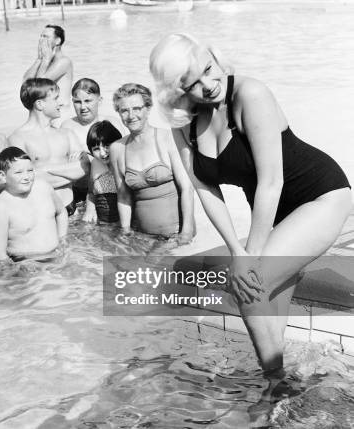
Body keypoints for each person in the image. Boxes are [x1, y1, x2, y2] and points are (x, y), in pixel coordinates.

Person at [149, 33, 352, 371]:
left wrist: (250, 257)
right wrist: (235, 250)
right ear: (176, 91)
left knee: (249, 288)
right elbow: (203, 187)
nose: (209, 84)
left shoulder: (249, 94)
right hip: (277, 213)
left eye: (209, 69)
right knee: (263, 304)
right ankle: (288, 378)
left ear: (214, 57)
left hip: (320, 195)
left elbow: (272, 182)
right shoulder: (184, 123)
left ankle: (276, 389)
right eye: (192, 83)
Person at [111, 83, 195, 240]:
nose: (131, 115)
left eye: (137, 108)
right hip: (141, 236)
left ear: (148, 108)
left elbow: (187, 188)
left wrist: (186, 232)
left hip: (175, 234)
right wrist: (125, 231)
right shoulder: (117, 148)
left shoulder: (167, 138)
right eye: (124, 110)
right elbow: (123, 196)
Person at [8, 78, 87, 213]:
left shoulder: (66, 134)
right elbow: (21, 179)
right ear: (40, 104)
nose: (60, 103)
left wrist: (43, 171)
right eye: (55, 98)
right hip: (39, 211)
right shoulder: (17, 138)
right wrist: (69, 172)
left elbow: (84, 168)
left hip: (71, 205)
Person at [0, 147, 67, 262]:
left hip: (56, 255)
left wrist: (62, 239)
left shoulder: (44, 187)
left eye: (30, 171)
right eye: (18, 172)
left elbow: (61, 212)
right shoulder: (1, 207)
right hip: (26, 263)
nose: (26, 177)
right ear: (3, 176)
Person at [23, 25, 73, 113]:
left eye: (45, 37)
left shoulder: (64, 61)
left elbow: (39, 86)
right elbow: (25, 83)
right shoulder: (45, 62)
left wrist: (45, 60)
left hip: (61, 113)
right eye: (41, 36)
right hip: (48, 114)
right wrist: (39, 59)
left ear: (58, 41)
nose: (41, 40)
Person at [61, 78, 124, 148]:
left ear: (99, 101)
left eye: (87, 101)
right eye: (77, 102)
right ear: (72, 101)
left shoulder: (113, 123)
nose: (83, 107)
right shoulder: (67, 127)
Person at [82, 120, 121, 224]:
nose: (103, 153)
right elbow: (91, 192)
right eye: (96, 149)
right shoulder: (95, 164)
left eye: (107, 145)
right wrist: (90, 209)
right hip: (103, 221)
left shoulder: (124, 161)